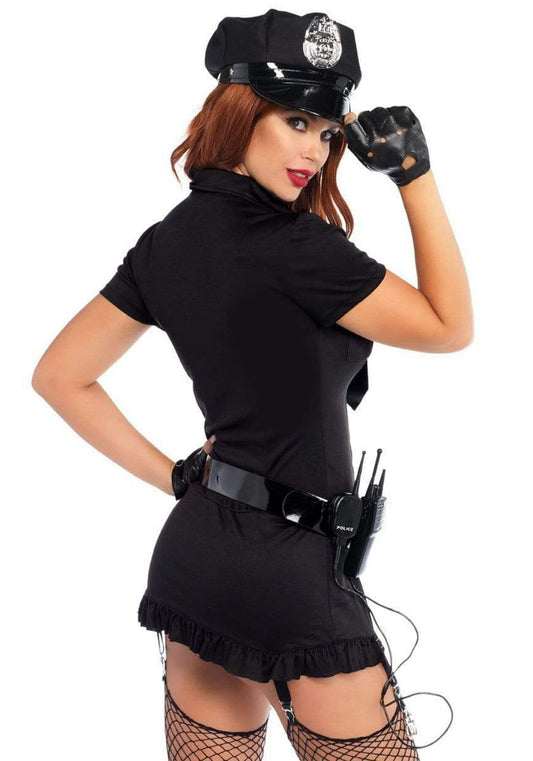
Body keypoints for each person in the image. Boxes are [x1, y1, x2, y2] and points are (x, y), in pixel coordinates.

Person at [31, 8, 473, 760]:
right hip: (292, 578)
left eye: (327, 132)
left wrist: (179, 478)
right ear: (239, 112)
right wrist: (415, 177)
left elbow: (60, 377)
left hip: (197, 558)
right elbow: (448, 326)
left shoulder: (165, 242)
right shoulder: (297, 246)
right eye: (295, 121)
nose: (313, 151)